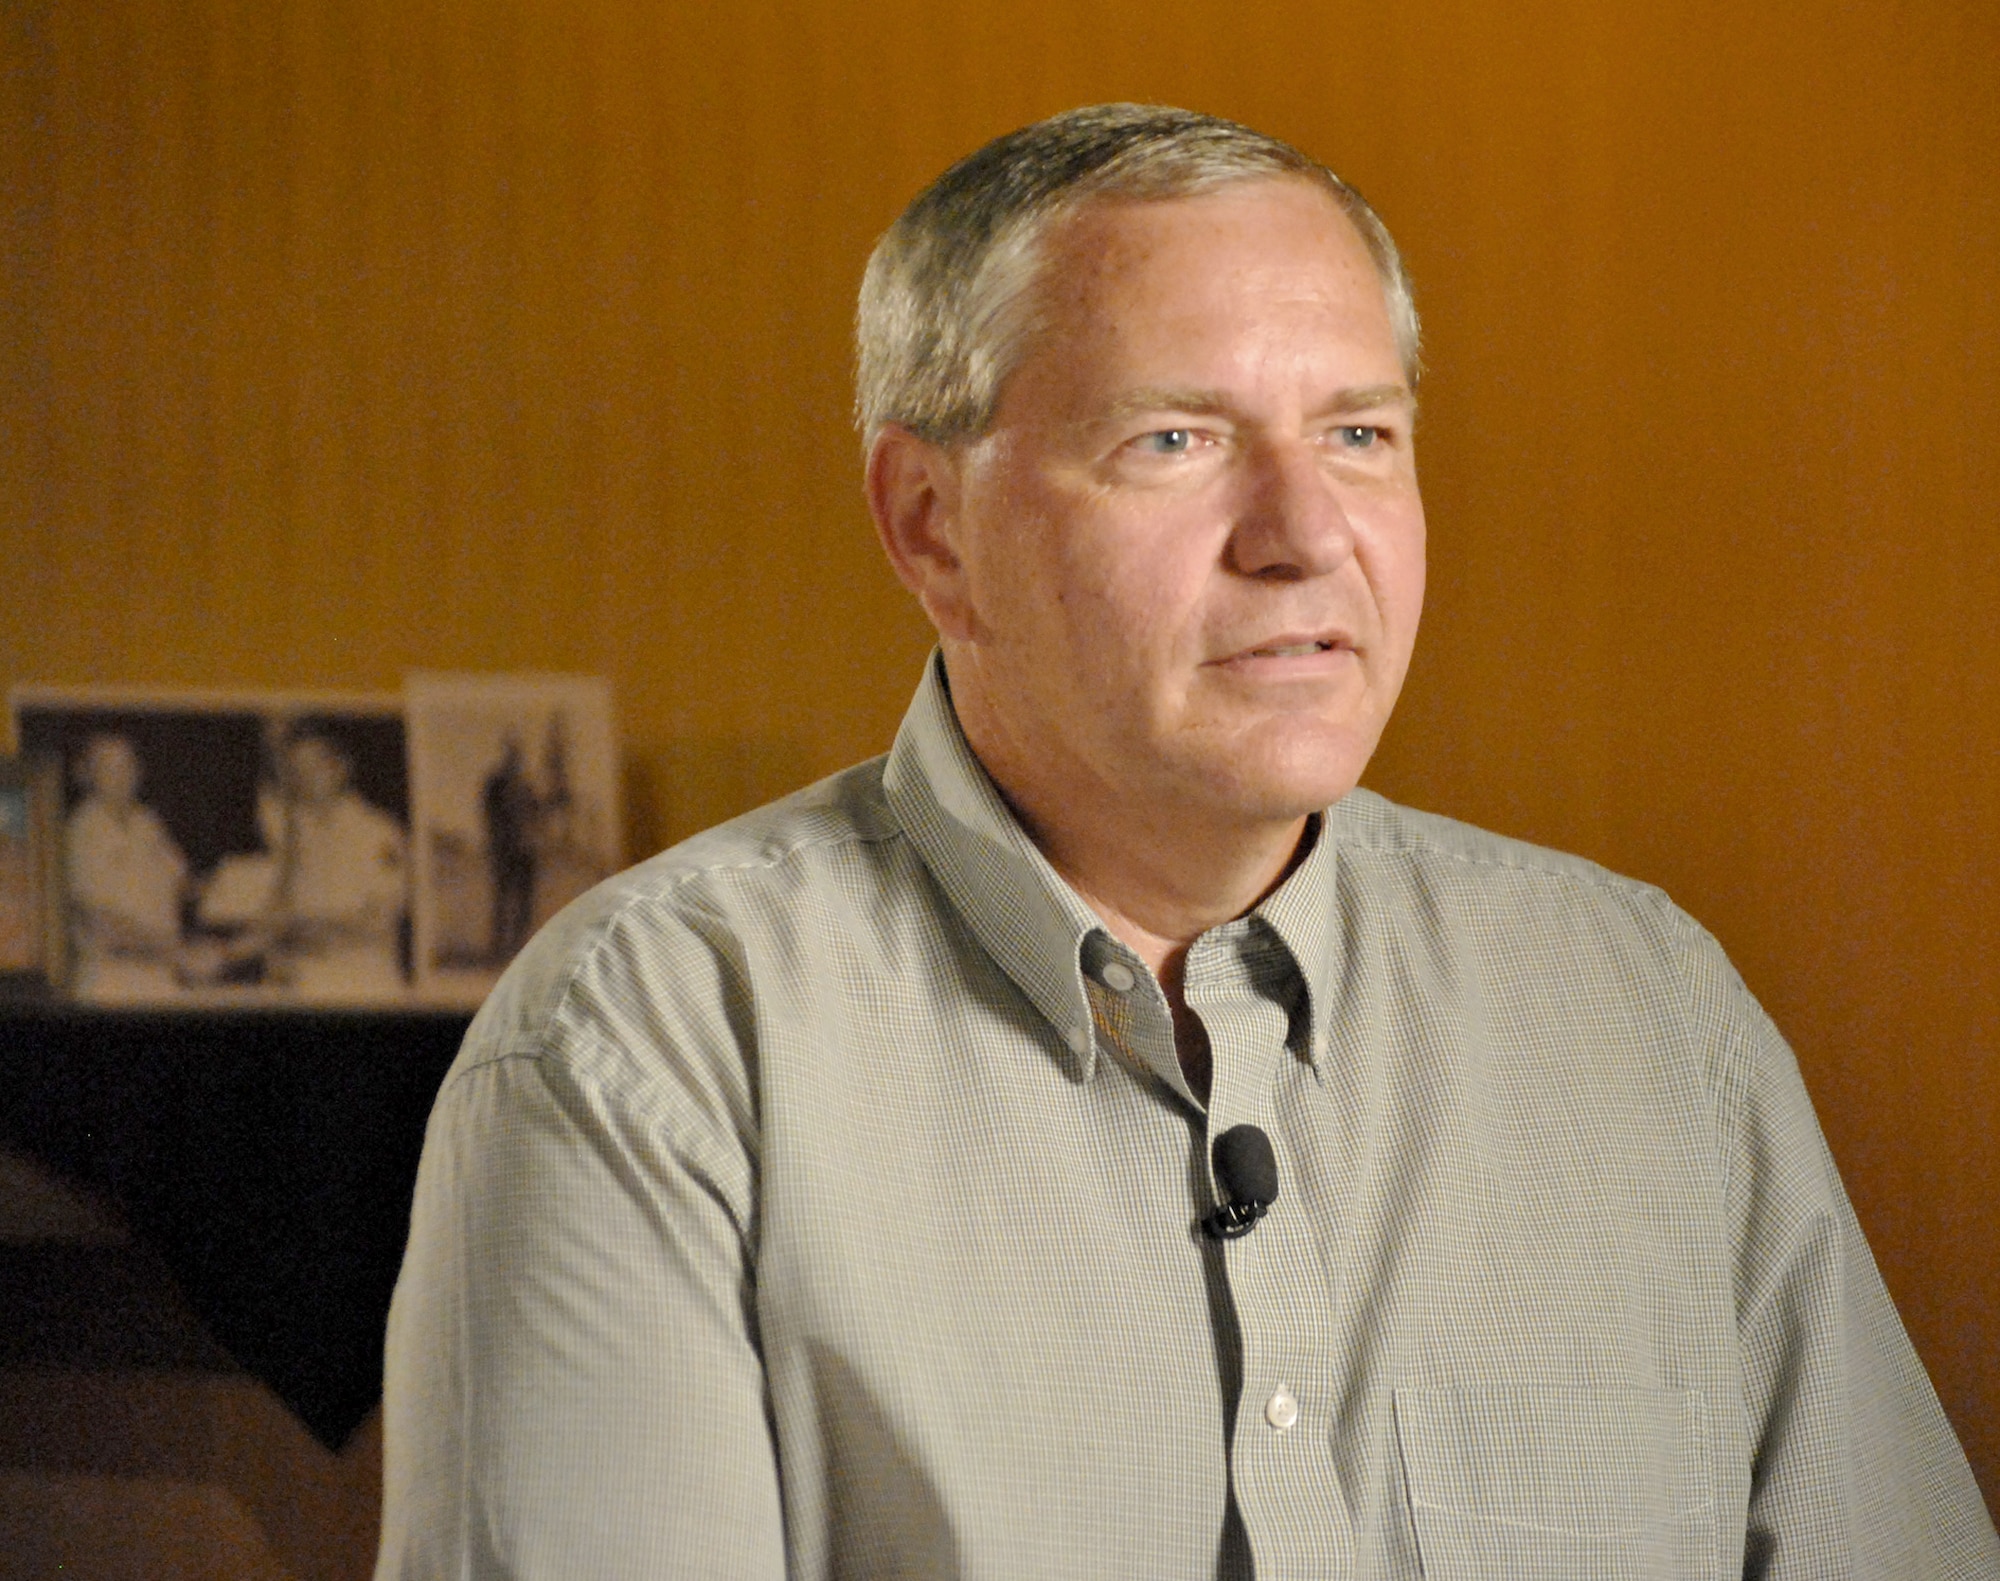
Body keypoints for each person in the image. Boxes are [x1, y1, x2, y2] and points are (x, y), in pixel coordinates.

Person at [378, 106, 1999, 1578]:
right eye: (1177, 441)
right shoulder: (651, 1051)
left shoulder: (1647, 1009)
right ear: (930, 526)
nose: (1305, 538)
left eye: (1361, 435)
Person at [260, 729, 407, 1000]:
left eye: (312, 767)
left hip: (360, 983)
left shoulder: (378, 831)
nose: (302, 779)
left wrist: (305, 932)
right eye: (294, 771)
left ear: (341, 769)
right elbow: (275, 914)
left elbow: (381, 921)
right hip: (300, 983)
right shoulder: (293, 837)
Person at [64, 732, 189, 1002]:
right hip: (111, 978)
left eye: (127, 766)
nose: (121, 776)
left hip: (161, 974)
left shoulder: (147, 822)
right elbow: (96, 918)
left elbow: (181, 883)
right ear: (85, 774)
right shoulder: (81, 830)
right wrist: (177, 951)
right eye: (108, 767)